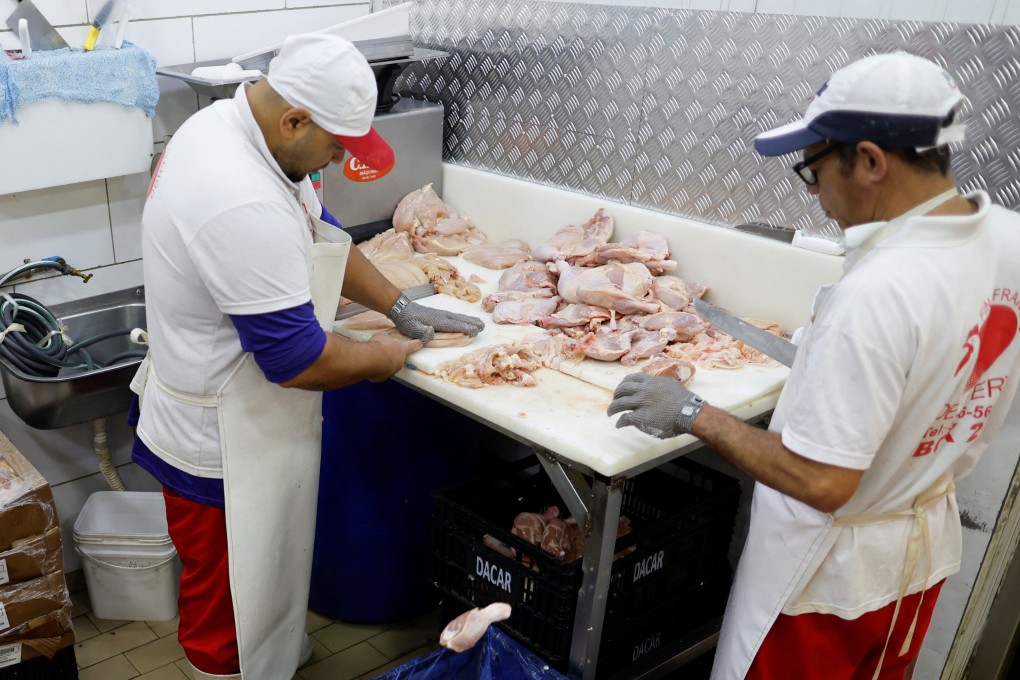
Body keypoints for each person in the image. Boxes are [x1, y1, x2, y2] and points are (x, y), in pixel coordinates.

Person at [608, 51, 1020, 680]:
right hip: (917, 560)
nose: (814, 192)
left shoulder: (879, 292)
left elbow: (824, 481)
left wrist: (695, 413)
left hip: (823, 584)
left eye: (814, 168)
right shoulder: (1007, 239)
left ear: (872, 161)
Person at [129, 32, 484, 680]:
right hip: (220, 446)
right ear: (295, 119)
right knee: (224, 622)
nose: (340, 161)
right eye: (336, 145)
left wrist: (400, 303)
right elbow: (297, 361)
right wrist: (385, 355)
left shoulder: (236, 129)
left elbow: (322, 232)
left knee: (267, 582)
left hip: (252, 422)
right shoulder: (236, 194)